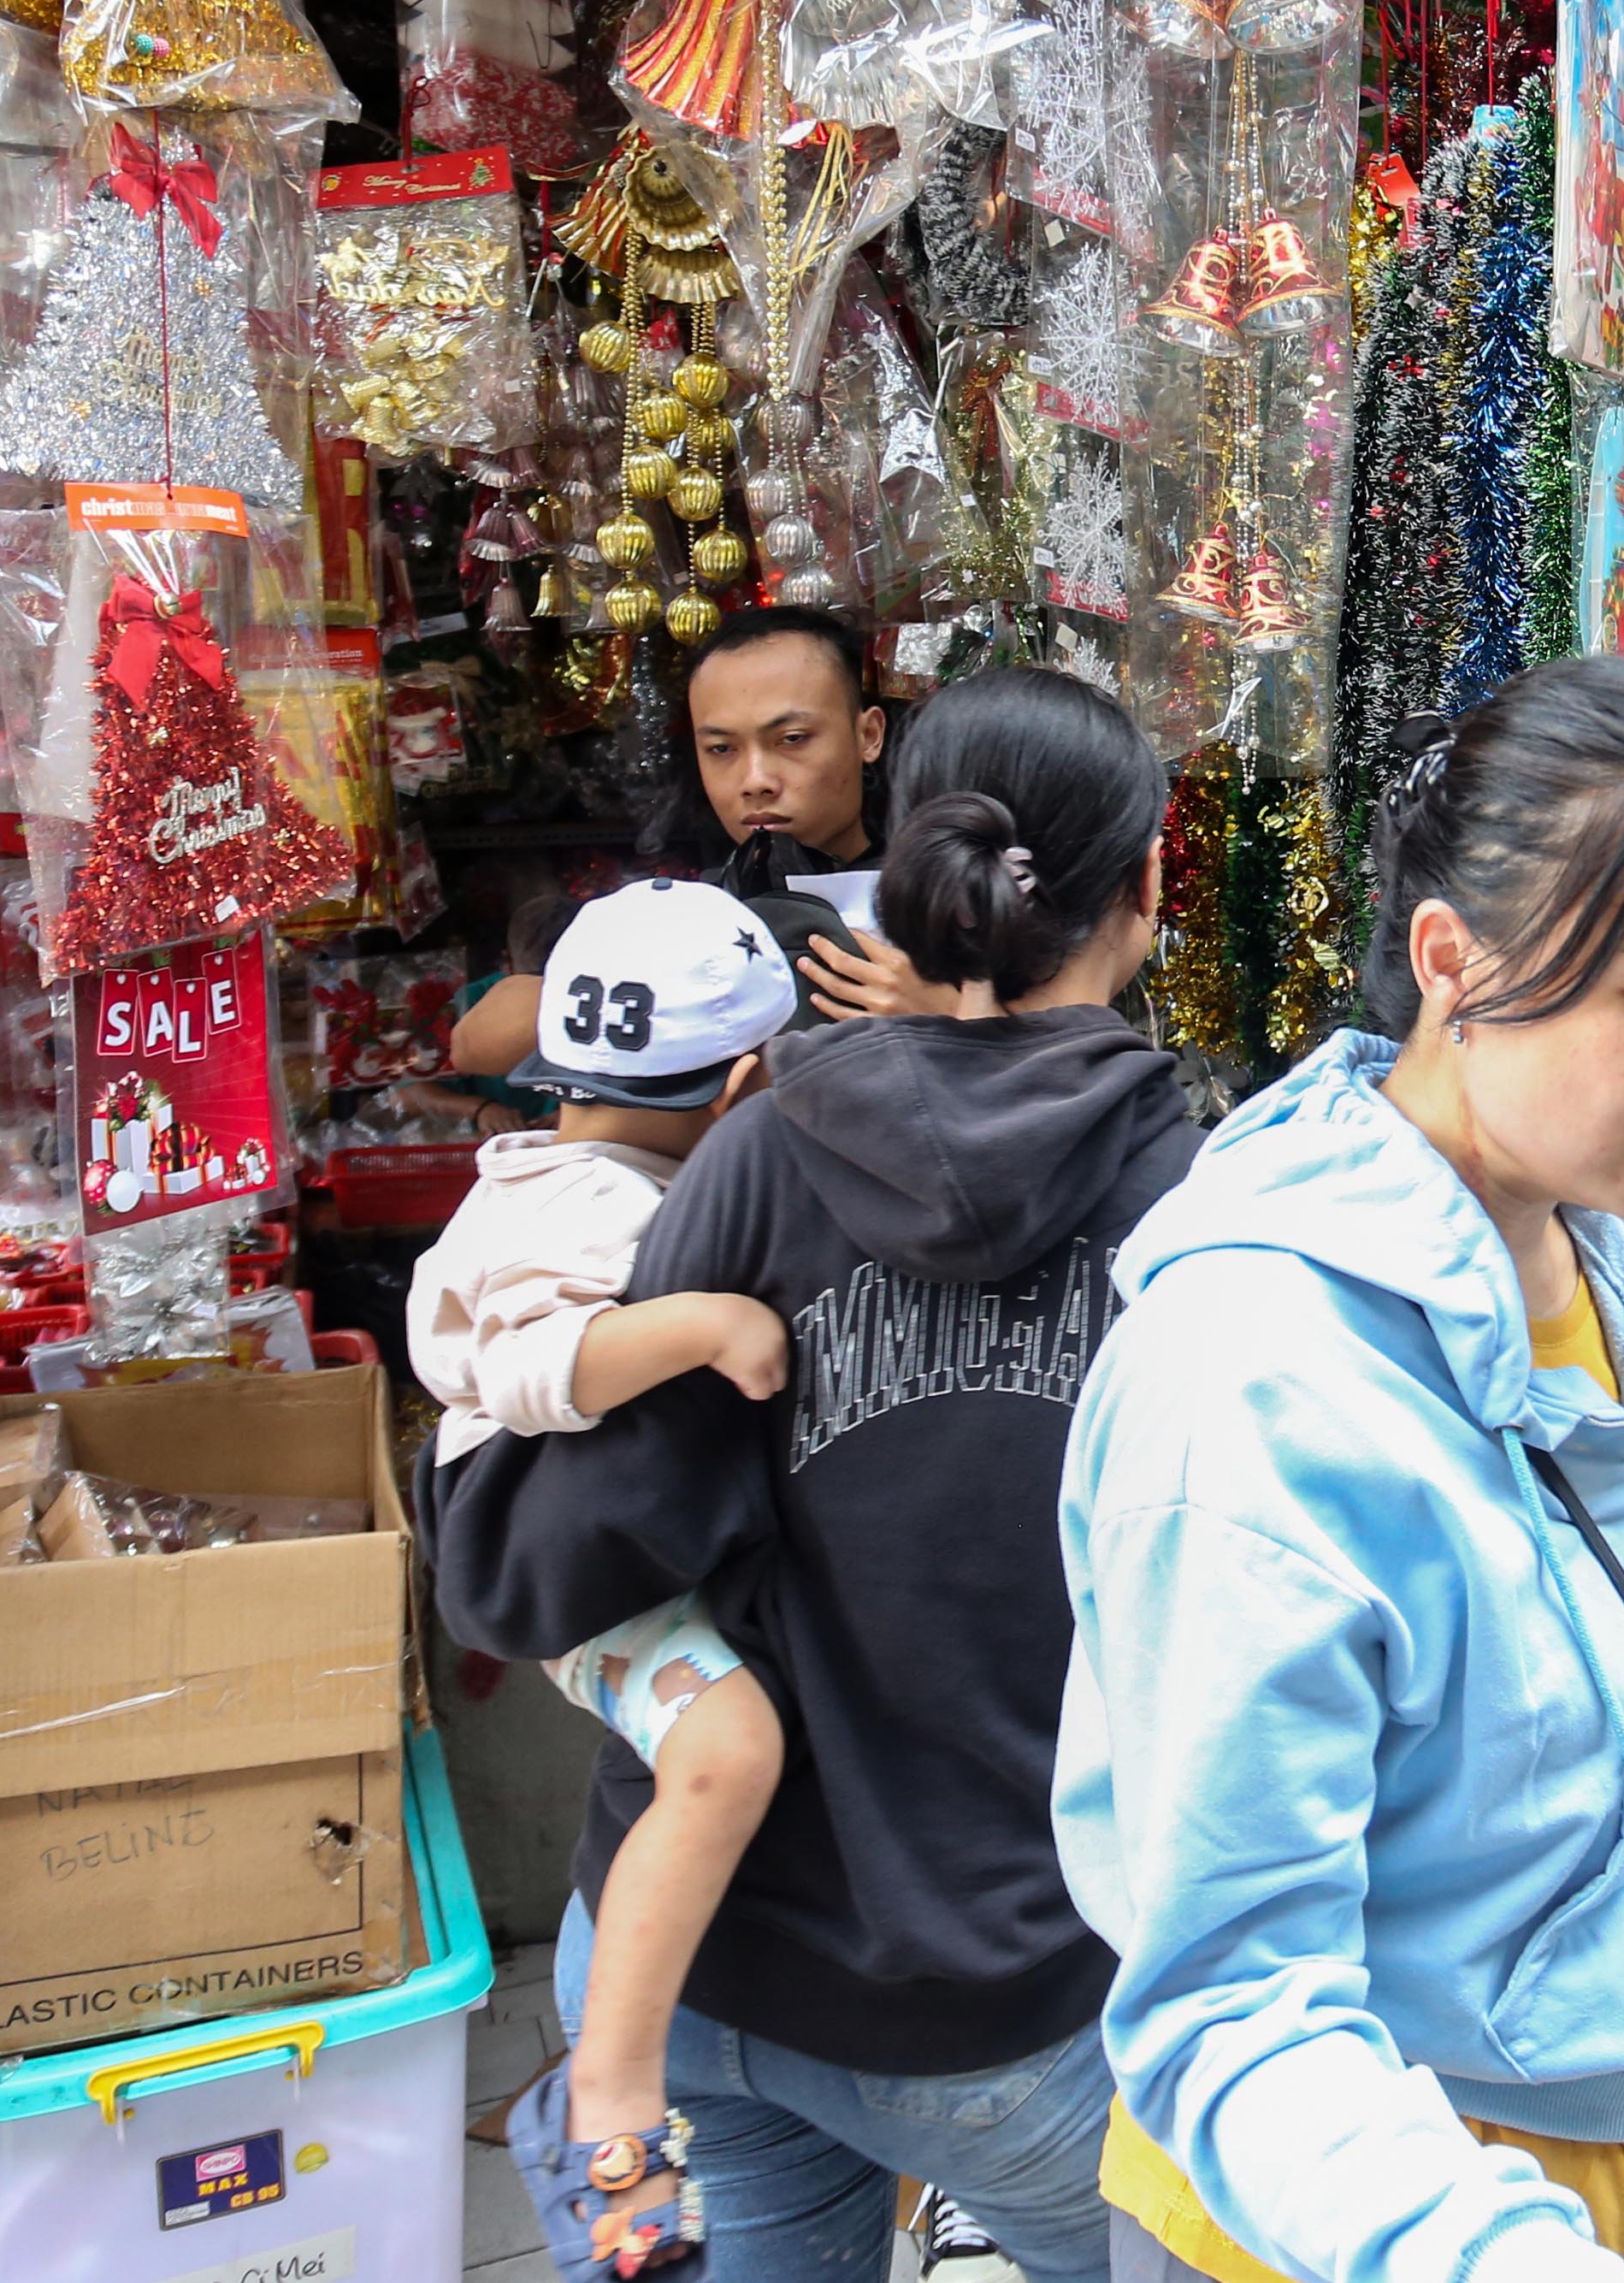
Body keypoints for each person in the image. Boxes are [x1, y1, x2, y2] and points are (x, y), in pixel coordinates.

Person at [1056, 657, 1624, 2283]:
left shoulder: (1606, 1251)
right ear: (1454, 964)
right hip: (1356, 2227)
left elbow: (1509, 1627)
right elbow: (1231, 2003)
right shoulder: (1255, 1382)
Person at [427, 666, 1198, 2283]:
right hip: (1003, 2002)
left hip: (682, 1965)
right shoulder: (1202, 1206)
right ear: (1150, 880)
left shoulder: (762, 1150)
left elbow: (562, 1559)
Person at [407, 879, 810, 2277]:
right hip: (555, 1559)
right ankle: (609, 2101)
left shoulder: (584, 1174)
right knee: (727, 1751)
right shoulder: (584, 1210)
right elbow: (506, 1367)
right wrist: (700, 1322)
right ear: (747, 1081)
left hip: (591, 1554)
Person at [453, 607, 927, 1079]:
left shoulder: (950, 901)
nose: (755, 780)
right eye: (722, 749)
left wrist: (948, 1015)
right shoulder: (685, 915)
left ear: (868, 736)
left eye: (792, 739)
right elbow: (474, 1048)